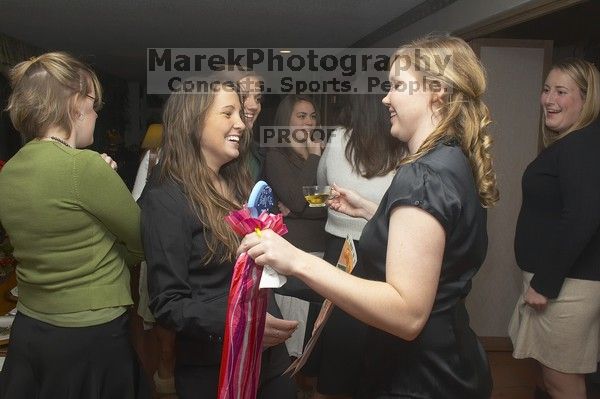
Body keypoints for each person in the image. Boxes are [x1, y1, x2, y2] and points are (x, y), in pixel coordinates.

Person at [240, 35, 498, 398]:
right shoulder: (450, 160)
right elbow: (437, 241)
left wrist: (297, 260)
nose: (386, 98)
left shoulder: (422, 176)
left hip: (421, 376)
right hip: (451, 357)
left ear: (436, 91)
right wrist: (374, 211)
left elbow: (407, 315)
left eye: (396, 86)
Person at [0, 52, 148, 398]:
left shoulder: (10, 170)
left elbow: (58, 231)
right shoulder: (84, 167)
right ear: (75, 103)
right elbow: (142, 241)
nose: (96, 115)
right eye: (94, 105)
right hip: (90, 335)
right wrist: (111, 258)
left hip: (32, 329)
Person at [139, 78, 297, 399]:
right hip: (213, 368)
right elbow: (168, 305)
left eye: (240, 113)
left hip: (269, 359)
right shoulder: (167, 198)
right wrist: (242, 321)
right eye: (228, 113)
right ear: (193, 121)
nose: (240, 122)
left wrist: (328, 287)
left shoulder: (240, 185)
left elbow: (261, 267)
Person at [509, 58, 600, 399]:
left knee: (563, 383)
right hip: (557, 282)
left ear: (587, 99)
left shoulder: (583, 145)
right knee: (547, 378)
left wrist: (544, 284)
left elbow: (582, 217)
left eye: (562, 92)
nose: (549, 99)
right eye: (547, 89)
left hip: (567, 287)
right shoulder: (571, 144)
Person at [303, 94, 403, 398]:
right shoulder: (402, 145)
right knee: (379, 327)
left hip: (341, 247)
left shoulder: (338, 139)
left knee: (338, 327)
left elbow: (322, 184)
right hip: (385, 247)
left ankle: (329, 389)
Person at [263, 94, 327, 359]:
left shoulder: (323, 156)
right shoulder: (276, 156)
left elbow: (330, 202)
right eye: (301, 116)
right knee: (294, 336)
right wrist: (313, 156)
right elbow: (299, 201)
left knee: (318, 333)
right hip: (296, 253)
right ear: (285, 121)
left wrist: (301, 209)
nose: (309, 122)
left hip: (325, 251)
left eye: (312, 116)